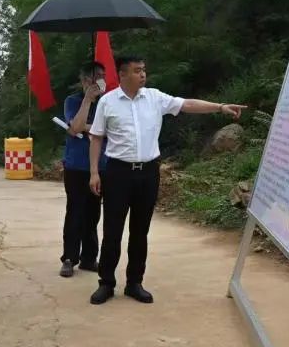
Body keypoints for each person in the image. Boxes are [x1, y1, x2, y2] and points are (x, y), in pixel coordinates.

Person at [88, 55, 245, 305]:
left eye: (144, 70)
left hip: (148, 173)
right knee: (112, 231)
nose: (143, 74)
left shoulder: (155, 98)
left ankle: (134, 283)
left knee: (141, 231)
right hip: (117, 173)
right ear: (123, 74)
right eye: (137, 70)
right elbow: (96, 137)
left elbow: (187, 105)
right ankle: (106, 283)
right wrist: (94, 172)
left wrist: (219, 106)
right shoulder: (107, 102)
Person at [60, 61, 108, 278]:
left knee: (93, 213)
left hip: (101, 166)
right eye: (97, 76)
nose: (101, 80)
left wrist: (90, 128)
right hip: (76, 166)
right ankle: (69, 258)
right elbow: (75, 127)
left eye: (103, 75)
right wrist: (88, 99)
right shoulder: (73, 101)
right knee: (75, 212)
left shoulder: (108, 103)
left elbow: (112, 130)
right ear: (85, 80)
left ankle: (89, 258)